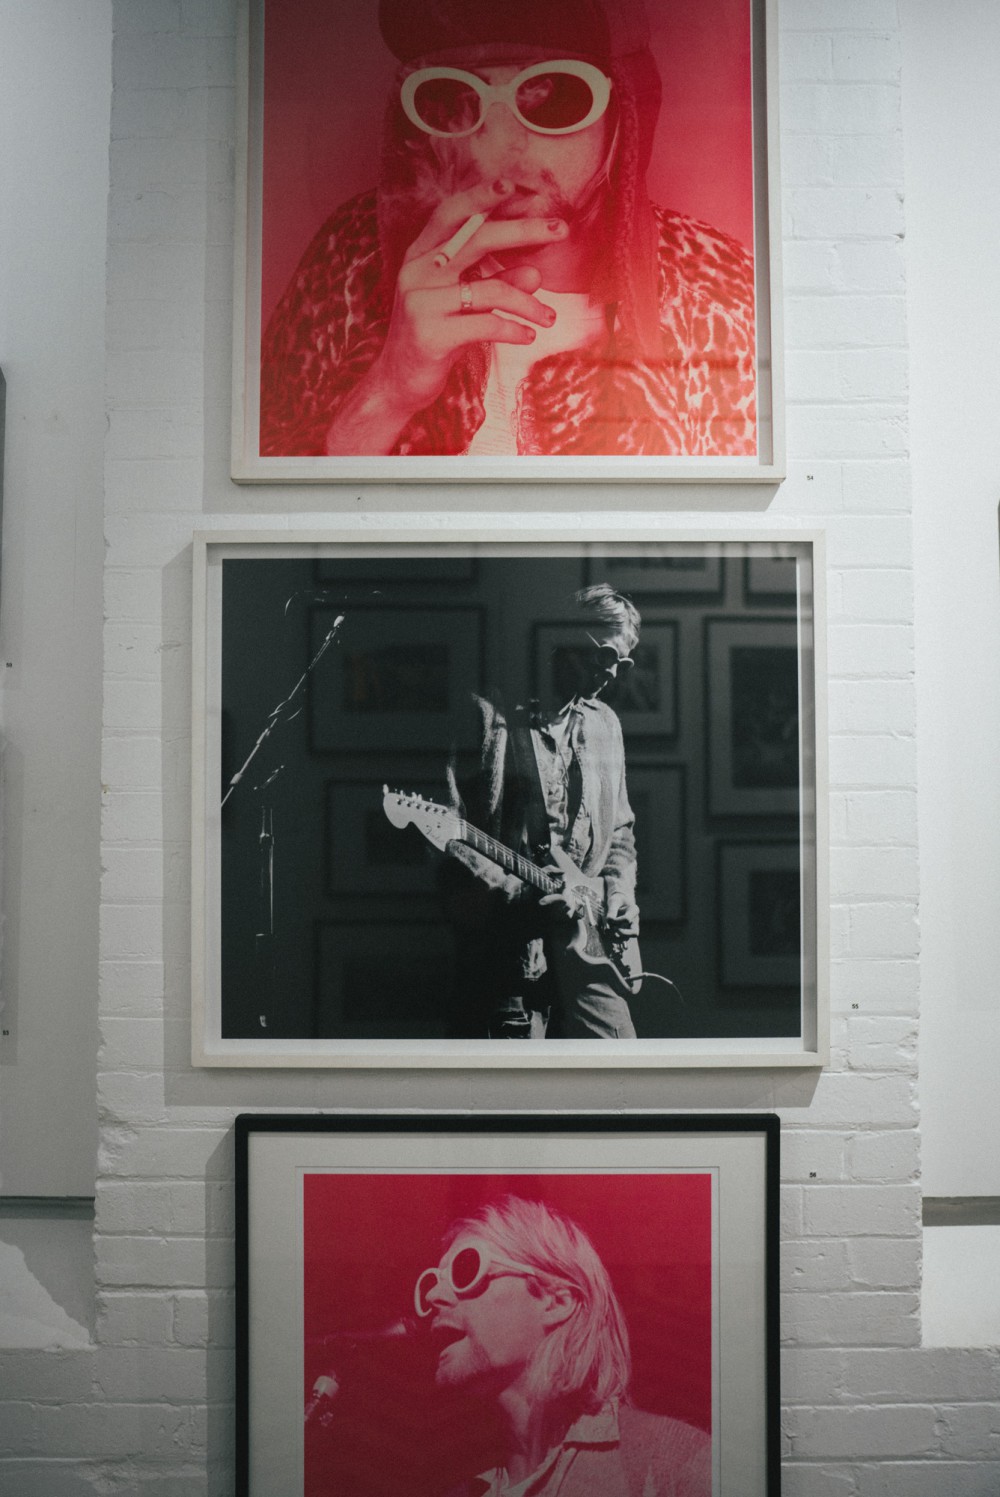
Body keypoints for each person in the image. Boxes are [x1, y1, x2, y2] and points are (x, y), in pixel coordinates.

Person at [260, 0, 756, 459]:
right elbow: (276, 507)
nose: (497, 148)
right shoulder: (352, 256)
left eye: (555, 97)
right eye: (455, 97)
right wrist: (388, 392)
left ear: (625, 113)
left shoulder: (717, 290)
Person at [441, 583, 643, 1040]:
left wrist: (618, 893)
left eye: (623, 663)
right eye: (605, 655)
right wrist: (522, 899)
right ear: (563, 635)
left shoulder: (604, 724)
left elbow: (620, 832)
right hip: (506, 957)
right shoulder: (484, 718)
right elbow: (449, 839)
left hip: (592, 950)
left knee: (622, 1073)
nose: (612, 673)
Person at [414, 1194, 711, 1497]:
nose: (433, 1296)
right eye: (433, 1281)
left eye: (465, 1270)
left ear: (556, 1301)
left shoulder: (673, 1464)